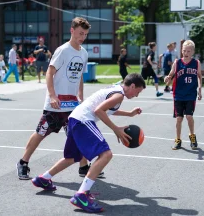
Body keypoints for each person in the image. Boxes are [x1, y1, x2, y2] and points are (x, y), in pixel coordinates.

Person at [31, 73, 145, 213]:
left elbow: (107, 108)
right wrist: (116, 129)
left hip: (75, 118)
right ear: (132, 86)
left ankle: (43, 178)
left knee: (72, 157)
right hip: (83, 120)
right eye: (137, 91)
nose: (136, 95)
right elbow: (99, 110)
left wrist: (129, 114)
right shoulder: (119, 95)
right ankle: (82, 195)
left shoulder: (116, 90)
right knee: (106, 154)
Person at [17, 17, 94, 180]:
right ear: (72, 31)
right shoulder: (62, 50)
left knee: (79, 134)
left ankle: (84, 167)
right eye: (80, 33)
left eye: (85, 34)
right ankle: (23, 163)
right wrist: (52, 95)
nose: (83, 37)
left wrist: (81, 95)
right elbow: (49, 73)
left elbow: (79, 76)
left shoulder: (84, 53)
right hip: (56, 104)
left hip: (72, 104)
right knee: (41, 133)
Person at [164, 40, 202, 150]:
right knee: (179, 119)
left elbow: (199, 77)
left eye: (188, 51)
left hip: (190, 94)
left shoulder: (196, 63)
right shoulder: (177, 63)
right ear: (181, 51)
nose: (186, 53)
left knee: (189, 116)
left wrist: (200, 89)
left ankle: (192, 136)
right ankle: (178, 139)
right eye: (184, 50)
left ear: (192, 52)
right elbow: (171, 75)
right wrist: (167, 78)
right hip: (178, 95)